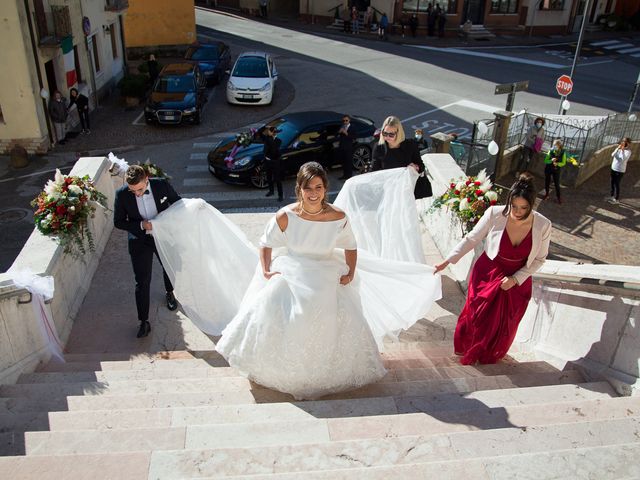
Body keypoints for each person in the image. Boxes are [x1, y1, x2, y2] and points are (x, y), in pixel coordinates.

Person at [150, 162, 442, 399]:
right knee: (277, 305)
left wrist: (350, 271)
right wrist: (266, 270)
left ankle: (328, 371)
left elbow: (351, 245)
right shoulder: (285, 216)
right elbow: (265, 243)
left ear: (325, 188)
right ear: (299, 189)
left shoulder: (338, 216)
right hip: (293, 267)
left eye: (318, 187)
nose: (313, 193)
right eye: (307, 188)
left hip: (326, 269)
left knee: (330, 315)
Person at [434, 173, 552, 365]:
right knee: (477, 315)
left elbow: (540, 259)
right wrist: (447, 261)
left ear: (531, 205)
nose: (518, 211)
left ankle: (488, 353)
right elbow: (472, 238)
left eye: (524, 208)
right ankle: (470, 349)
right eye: (514, 206)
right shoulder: (495, 214)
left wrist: (515, 279)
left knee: (505, 323)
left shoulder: (543, 225)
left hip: (517, 280)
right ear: (509, 201)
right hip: (488, 271)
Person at [113, 165, 181, 338]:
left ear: (146, 179)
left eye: (140, 189)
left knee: (168, 266)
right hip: (139, 240)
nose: (136, 194)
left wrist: (167, 221)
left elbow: (178, 203)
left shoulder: (161, 185)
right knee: (142, 282)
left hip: (163, 236)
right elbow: (119, 222)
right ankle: (143, 321)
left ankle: (170, 293)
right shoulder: (121, 194)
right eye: (133, 190)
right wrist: (141, 225)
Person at [261, 126, 283, 201]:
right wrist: (265, 127)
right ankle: (271, 191)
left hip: (275, 162)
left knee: (277, 179)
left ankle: (280, 195)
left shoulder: (278, 141)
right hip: (267, 162)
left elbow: (274, 150)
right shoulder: (267, 138)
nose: (268, 132)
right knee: (269, 177)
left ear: (273, 133)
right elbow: (259, 132)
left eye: (269, 131)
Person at [608, 137, 631, 205]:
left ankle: (617, 198)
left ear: (628, 143)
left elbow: (622, 159)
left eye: (625, 142)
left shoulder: (628, 152)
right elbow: (612, 154)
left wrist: (623, 151)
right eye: (623, 141)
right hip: (613, 168)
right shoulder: (618, 149)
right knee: (612, 182)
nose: (623, 143)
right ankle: (612, 196)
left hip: (620, 170)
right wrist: (618, 149)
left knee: (616, 184)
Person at [543, 139, 567, 204]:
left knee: (557, 183)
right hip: (548, 168)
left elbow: (563, 162)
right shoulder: (551, 151)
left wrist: (558, 164)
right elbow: (545, 161)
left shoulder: (563, 152)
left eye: (556, 145)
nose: (554, 147)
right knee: (547, 181)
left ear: (559, 146)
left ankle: (558, 198)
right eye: (554, 145)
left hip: (556, 169)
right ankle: (546, 194)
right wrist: (551, 160)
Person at [337, 115, 356, 180]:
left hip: (348, 147)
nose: (345, 122)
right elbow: (337, 134)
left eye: (346, 120)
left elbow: (353, 137)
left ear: (349, 120)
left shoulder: (352, 127)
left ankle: (349, 176)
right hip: (342, 147)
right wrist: (339, 132)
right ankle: (345, 175)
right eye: (344, 121)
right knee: (344, 162)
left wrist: (346, 133)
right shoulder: (342, 126)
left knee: (349, 162)